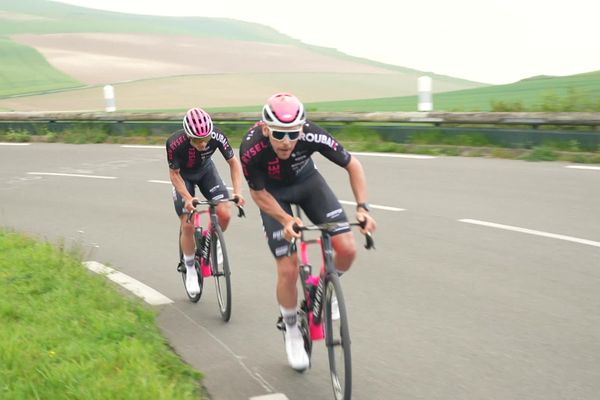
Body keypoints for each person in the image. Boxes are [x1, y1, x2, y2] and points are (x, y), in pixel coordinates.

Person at [239, 92, 376, 371]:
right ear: (265, 129)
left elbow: (353, 164)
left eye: (293, 134)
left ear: (303, 127)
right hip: (273, 195)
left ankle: (324, 289)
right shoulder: (250, 149)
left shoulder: (312, 135)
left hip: (307, 183)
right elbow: (258, 193)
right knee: (288, 269)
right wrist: (285, 219)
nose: (287, 141)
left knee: (347, 249)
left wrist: (362, 208)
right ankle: (291, 329)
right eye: (278, 134)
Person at [167, 107, 245, 297]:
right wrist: (187, 197)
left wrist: (237, 192)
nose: (203, 144)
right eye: (196, 140)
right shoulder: (174, 144)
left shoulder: (217, 135)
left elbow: (234, 163)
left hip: (206, 172)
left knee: (224, 214)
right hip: (183, 177)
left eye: (206, 139)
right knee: (188, 224)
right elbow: (174, 175)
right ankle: (190, 265)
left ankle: (213, 239)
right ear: (187, 136)